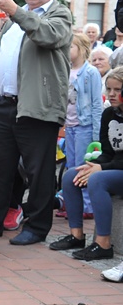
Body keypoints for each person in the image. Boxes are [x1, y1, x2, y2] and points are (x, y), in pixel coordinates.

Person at [0, 0, 73, 245]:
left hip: (36, 106)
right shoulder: (15, 18)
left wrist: (15, 10)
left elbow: (46, 35)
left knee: (38, 171)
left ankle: (36, 227)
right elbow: (2, 54)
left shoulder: (60, 14)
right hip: (4, 104)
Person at [51, 67, 123, 262]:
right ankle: (77, 236)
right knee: (71, 174)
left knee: (97, 180)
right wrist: (92, 164)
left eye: (117, 90)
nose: (111, 94)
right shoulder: (109, 114)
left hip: (117, 170)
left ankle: (103, 243)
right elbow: (108, 153)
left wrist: (101, 168)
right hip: (114, 167)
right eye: (109, 89)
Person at [56, 33, 103, 218]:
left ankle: (88, 206)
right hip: (71, 126)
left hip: (85, 125)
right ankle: (73, 203)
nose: (66, 50)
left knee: (84, 166)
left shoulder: (90, 73)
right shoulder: (65, 71)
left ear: (82, 49)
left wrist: (96, 133)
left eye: (70, 47)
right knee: (72, 165)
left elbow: (97, 104)